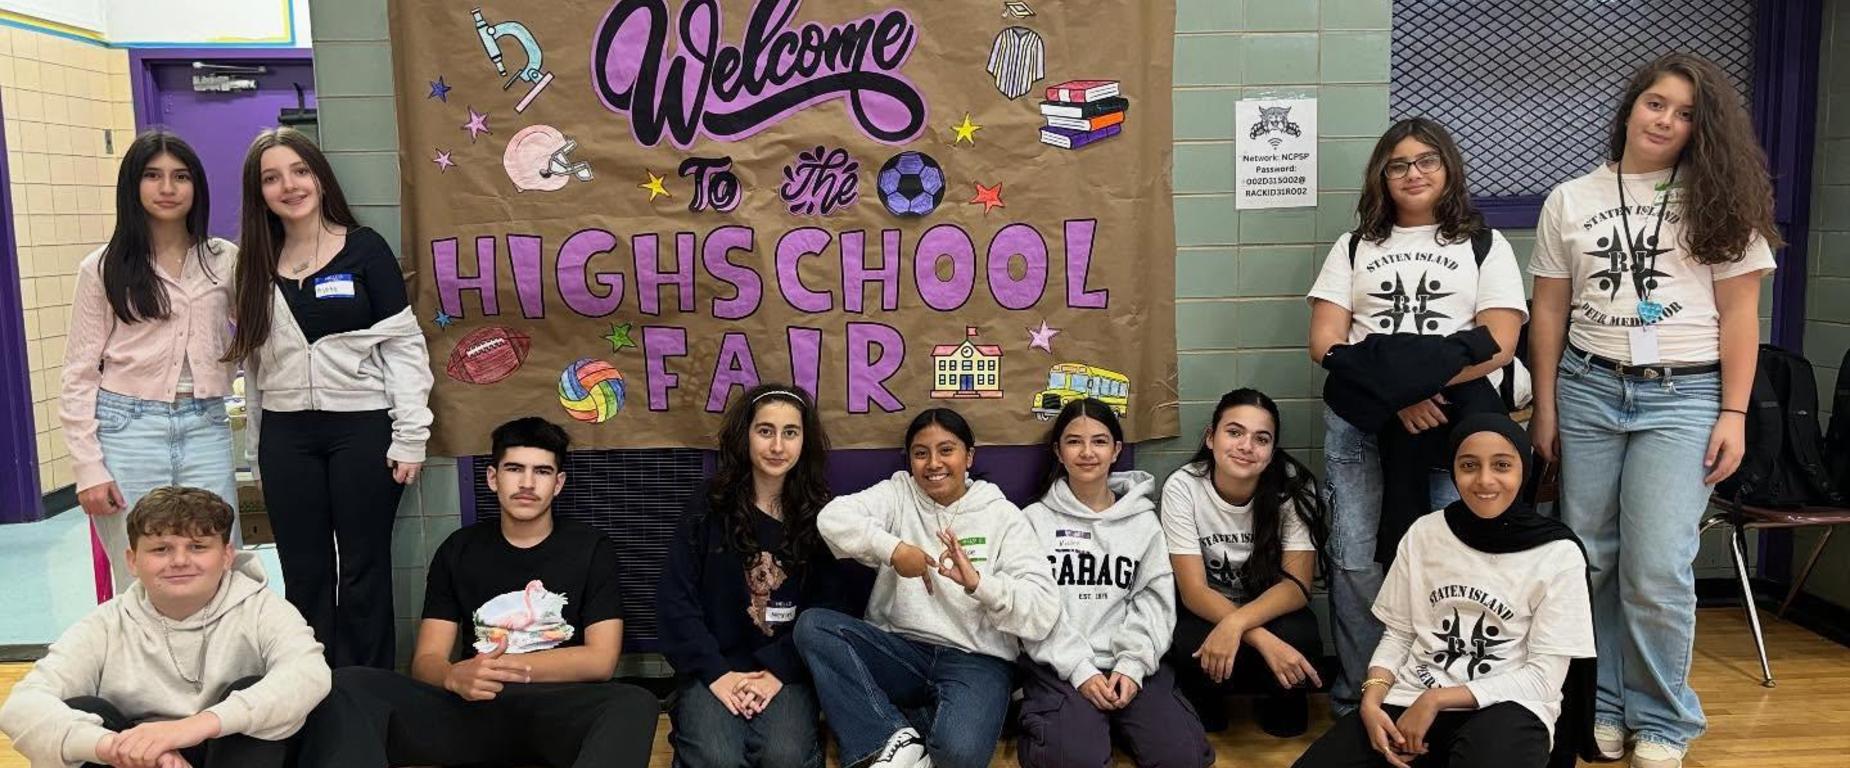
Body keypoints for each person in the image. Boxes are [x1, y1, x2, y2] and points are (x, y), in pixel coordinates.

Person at [1527, 52, 1778, 768]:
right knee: (1591, 558)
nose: (1667, 120)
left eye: (1687, 112)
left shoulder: (1721, 199)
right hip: (1587, 385)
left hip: (1686, 394)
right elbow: (1547, 310)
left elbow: (1739, 317)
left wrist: (1733, 413)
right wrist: (1545, 405)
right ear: (1631, 107)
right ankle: (1603, 704)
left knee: (1657, 567)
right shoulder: (1570, 199)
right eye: (1656, 104)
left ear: (1705, 128)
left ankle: (1664, 718)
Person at [1306, 117, 1527, 715]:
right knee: (1356, 558)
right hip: (1364, 422)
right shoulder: (1355, 247)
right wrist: (1396, 394)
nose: (1413, 173)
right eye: (1398, 164)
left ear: (1449, 169)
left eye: (1427, 160)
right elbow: (1326, 342)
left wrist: (1416, 382)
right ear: (1382, 174)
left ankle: (1431, 699)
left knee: (1445, 558)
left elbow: (1499, 340)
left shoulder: (1483, 244)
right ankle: (1357, 701)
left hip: (1454, 426)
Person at [298, 416, 660, 768]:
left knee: (634, 703)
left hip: (557, 711)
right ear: (492, 477)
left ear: (559, 483)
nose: (527, 483)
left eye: (542, 471)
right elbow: (427, 660)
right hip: (472, 709)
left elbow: (600, 660)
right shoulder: (458, 550)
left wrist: (504, 668)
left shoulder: (592, 549)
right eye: (514, 469)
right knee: (349, 684)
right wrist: (454, 676)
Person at [225, 127, 434, 669]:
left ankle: (367, 695)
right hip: (286, 437)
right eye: (271, 178)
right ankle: (310, 689)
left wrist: (412, 435)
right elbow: (253, 369)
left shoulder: (364, 248)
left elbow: (405, 347)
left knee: (364, 568)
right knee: (304, 570)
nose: (288, 185)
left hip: (361, 430)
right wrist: (256, 454)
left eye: (299, 171)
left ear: (319, 177)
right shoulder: (250, 265)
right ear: (259, 194)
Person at [1293, 413, 1596, 768]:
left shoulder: (1557, 552)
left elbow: (1542, 679)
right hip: (1410, 696)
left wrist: (1435, 701)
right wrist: (1372, 699)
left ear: (1524, 470)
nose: (1485, 480)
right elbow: (1400, 635)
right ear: (1453, 470)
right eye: (1469, 465)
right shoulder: (1425, 533)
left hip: (1507, 706)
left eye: (1501, 465)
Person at [795, 408, 1059, 768]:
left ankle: (910, 727)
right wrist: (894, 550)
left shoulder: (1003, 515)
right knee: (814, 627)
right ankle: (890, 740)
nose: (933, 463)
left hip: (977, 661)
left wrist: (979, 585)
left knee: (958, 755)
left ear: (970, 456)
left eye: (946, 450)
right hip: (900, 650)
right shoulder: (899, 492)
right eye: (921, 453)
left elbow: (1043, 612)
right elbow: (831, 519)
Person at [0, 486, 330, 768]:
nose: (180, 561)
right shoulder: (105, 624)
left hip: (229, 750)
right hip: (140, 758)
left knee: (268, 698)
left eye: (198, 547)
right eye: (161, 549)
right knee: (85, 711)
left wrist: (193, 728)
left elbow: (309, 673)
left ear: (227, 555)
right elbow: (22, 706)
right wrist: (119, 748)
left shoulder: (261, 609)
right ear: (132, 560)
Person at [61, 130, 240, 592]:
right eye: (153, 176)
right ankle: (145, 667)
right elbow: (79, 375)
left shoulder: (224, 260)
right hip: (127, 431)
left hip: (206, 426)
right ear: (132, 186)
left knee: (218, 563)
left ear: (196, 186)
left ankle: (221, 667)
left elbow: (260, 337)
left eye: (180, 177)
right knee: (142, 573)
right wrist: (88, 468)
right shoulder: (103, 268)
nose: (167, 188)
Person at [659, 384, 853, 768]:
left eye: (790, 433)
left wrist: (779, 671)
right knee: (716, 757)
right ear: (745, 435)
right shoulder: (707, 506)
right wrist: (717, 674)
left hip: (786, 671)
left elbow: (831, 609)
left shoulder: (823, 515)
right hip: (712, 668)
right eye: (765, 431)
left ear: (804, 441)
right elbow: (675, 600)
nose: (777, 446)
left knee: (784, 755)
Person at [1016, 398, 1212, 768]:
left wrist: (1132, 667)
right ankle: (1080, 724)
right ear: (1058, 451)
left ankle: (1120, 720)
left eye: (1100, 441)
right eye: (1074, 441)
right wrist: (1081, 670)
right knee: (1075, 761)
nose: (1087, 452)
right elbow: (1031, 609)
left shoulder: (1143, 522)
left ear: (1117, 450)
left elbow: (1154, 604)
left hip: (1131, 663)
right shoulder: (1033, 522)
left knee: (1183, 758)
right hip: (1061, 666)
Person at [1161, 388, 1326, 738]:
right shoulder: (1184, 487)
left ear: (1272, 450)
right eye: (1234, 432)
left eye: (1261, 438)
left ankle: (1276, 704)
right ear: (1210, 437)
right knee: (1186, 640)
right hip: (1208, 616)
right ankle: (1211, 702)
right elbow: (1192, 591)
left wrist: (1238, 626)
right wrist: (1258, 638)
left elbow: (1297, 587)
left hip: (1269, 613)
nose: (1246, 446)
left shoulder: (1294, 486)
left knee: (1301, 638)